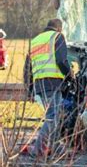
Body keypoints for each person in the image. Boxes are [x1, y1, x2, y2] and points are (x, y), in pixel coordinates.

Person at [23, 18, 72, 158]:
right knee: (52, 117)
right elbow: (61, 60)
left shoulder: (35, 41)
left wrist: (30, 89)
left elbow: (27, 68)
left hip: (40, 84)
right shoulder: (57, 37)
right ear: (59, 29)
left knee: (56, 116)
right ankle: (38, 150)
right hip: (53, 82)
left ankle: (56, 148)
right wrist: (70, 75)